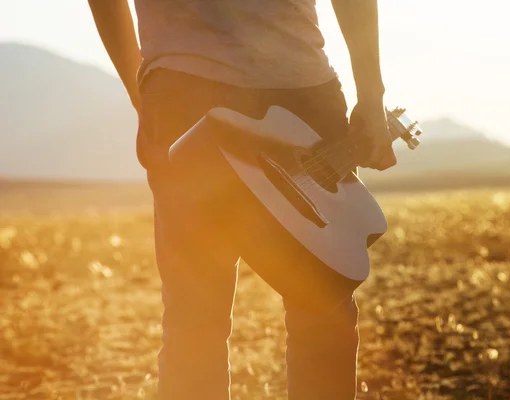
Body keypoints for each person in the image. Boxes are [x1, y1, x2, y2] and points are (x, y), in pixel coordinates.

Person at [88, 0, 396, 399]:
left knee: (197, 314)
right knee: (316, 315)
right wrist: (371, 93)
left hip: (211, 87)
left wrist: (144, 87)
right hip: (274, 85)